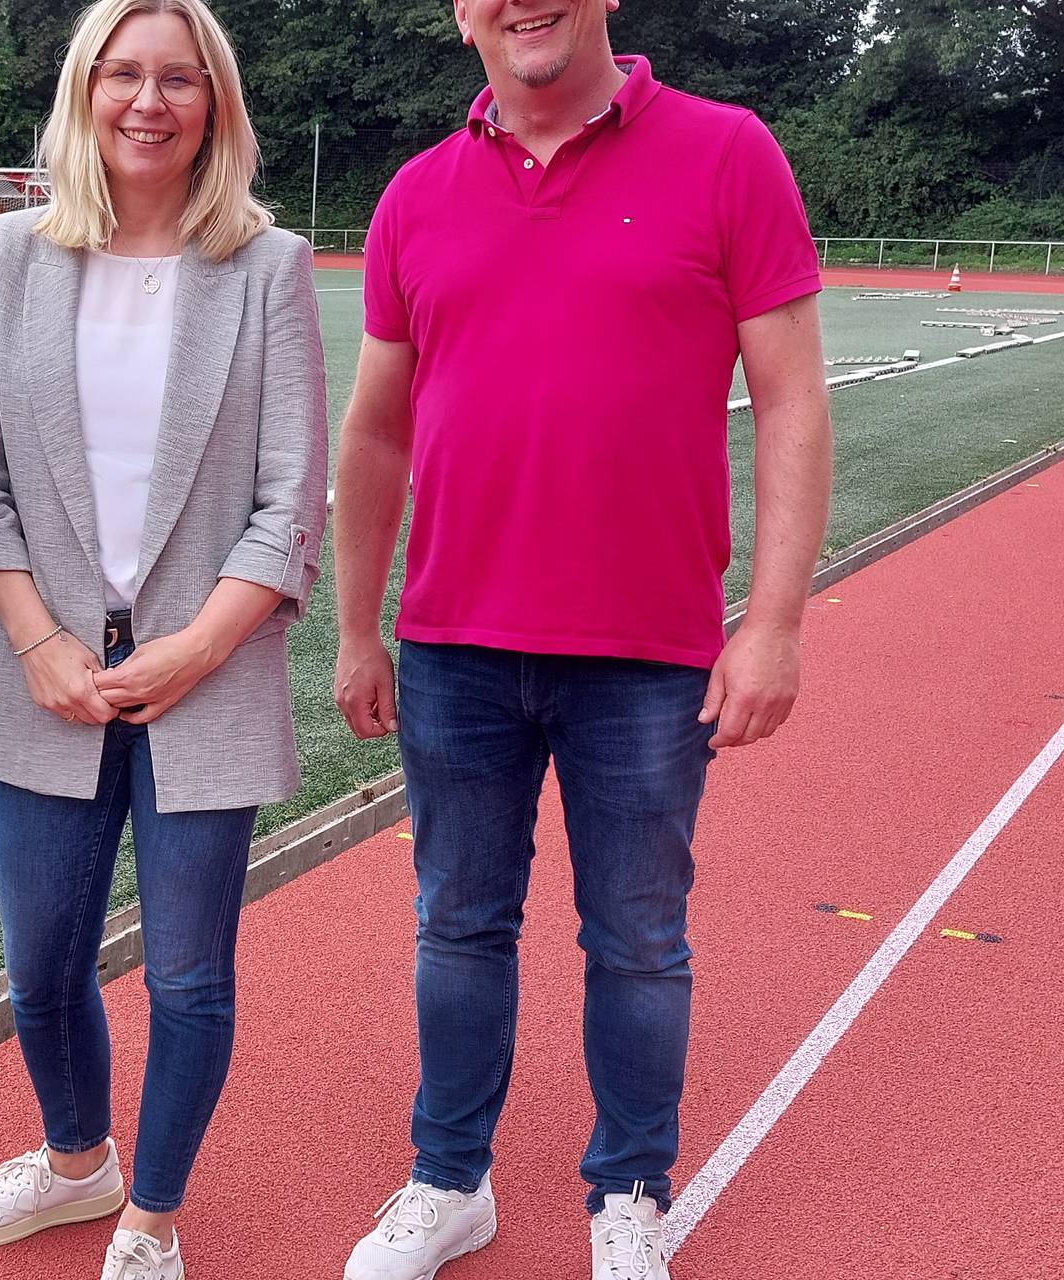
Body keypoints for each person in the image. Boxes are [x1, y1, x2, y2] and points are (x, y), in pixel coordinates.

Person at [326, 3, 832, 1278]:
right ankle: (449, 1179)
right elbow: (377, 430)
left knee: (640, 939)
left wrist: (771, 623)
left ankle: (627, 1190)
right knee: (457, 924)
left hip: (648, 653)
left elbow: (790, 402)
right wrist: (355, 625)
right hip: (453, 642)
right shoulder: (416, 192)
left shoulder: (727, 154)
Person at [0, 1, 328, 1276]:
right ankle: (74, 1161)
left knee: (190, 980)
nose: (149, 103)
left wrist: (199, 647)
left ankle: (151, 1215)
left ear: (215, 104)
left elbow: (288, 499)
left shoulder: (266, 267)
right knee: (41, 967)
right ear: (84, 92)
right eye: (124, 75)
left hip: (204, 677)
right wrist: (40, 639)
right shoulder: (6, 255)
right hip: (44, 676)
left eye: (179, 79)